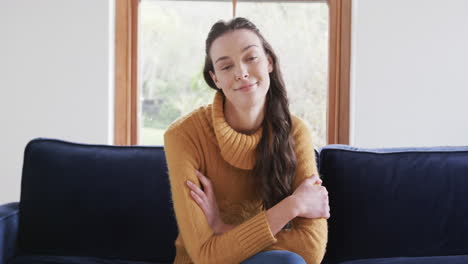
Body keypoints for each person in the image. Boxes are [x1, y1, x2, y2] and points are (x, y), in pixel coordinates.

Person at [164, 17, 330, 264]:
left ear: (269, 62)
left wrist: (223, 229)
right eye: (226, 66)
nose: (241, 72)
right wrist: (291, 207)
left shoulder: (296, 132)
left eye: (251, 58)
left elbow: (311, 249)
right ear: (216, 79)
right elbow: (206, 255)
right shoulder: (184, 136)